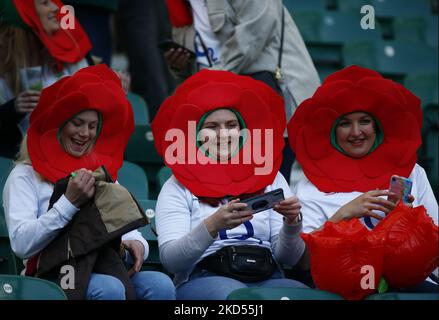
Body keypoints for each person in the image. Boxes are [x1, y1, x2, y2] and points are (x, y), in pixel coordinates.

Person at [2, 64, 176, 300]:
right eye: (77, 123)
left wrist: (138, 245)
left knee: (160, 283)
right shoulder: (24, 175)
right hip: (52, 271)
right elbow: (22, 245)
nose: (85, 133)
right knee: (109, 288)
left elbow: (128, 229)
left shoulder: (102, 171)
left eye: (92, 126)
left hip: (104, 264)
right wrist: (69, 203)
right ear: (59, 125)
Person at [151, 69, 308, 300]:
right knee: (237, 299)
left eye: (231, 125)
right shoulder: (177, 186)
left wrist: (292, 223)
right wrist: (212, 225)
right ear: (194, 132)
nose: (223, 134)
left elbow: (288, 259)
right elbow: (171, 260)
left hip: (268, 275)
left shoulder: (271, 177)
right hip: (204, 276)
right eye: (212, 126)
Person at [287, 65, 438, 291]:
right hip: (341, 285)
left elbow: (435, 237)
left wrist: (407, 219)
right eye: (345, 123)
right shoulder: (309, 185)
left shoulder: (412, 172)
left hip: (409, 282)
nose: (356, 132)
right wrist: (344, 215)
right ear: (332, 130)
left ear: (377, 126)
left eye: (364, 121)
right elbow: (302, 261)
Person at [162, 0, 321, 184]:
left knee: (271, 184)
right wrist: (180, 65)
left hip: (270, 98)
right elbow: (197, 62)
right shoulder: (178, 5)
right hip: (219, 105)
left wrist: (209, 80)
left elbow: (253, 36)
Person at [0, 0, 129, 158]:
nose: (56, 8)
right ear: (24, 13)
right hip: (24, 164)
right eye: (45, 3)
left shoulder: (75, 55)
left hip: (79, 159)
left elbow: (100, 122)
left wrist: (112, 90)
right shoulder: (5, 68)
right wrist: (12, 110)